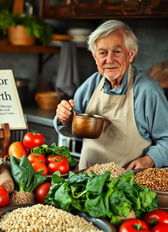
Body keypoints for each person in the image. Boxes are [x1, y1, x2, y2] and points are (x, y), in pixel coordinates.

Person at [54, 19, 168, 170]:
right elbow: (73, 129)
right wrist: (64, 118)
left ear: (131, 55)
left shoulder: (148, 91)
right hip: (87, 182)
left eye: (117, 51)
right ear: (95, 58)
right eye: (102, 53)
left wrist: (149, 160)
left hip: (128, 185)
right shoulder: (91, 85)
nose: (109, 59)